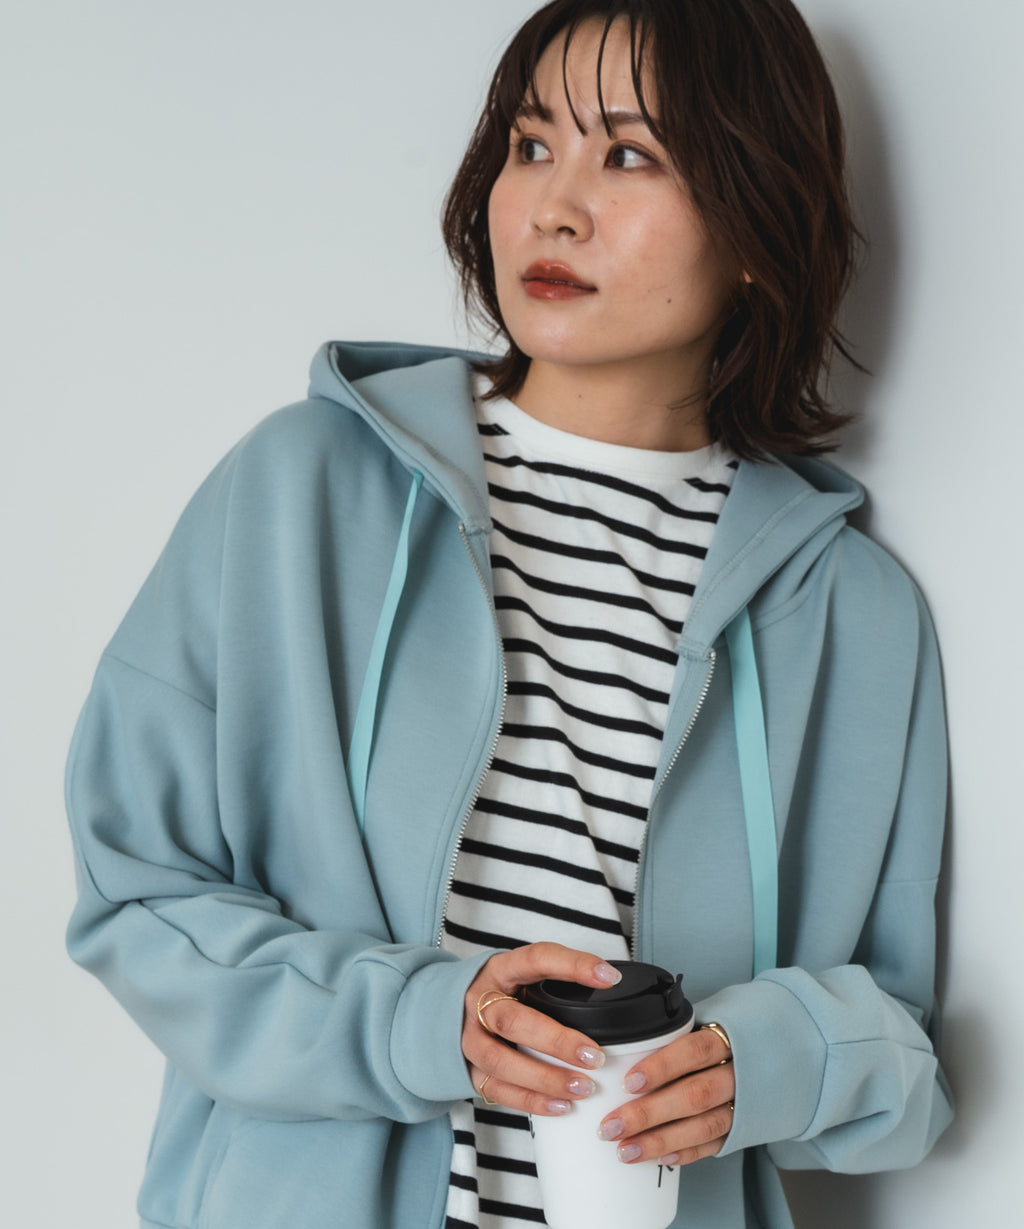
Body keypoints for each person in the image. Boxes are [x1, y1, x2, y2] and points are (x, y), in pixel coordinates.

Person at [63, 1, 954, 1226]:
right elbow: (138, 895)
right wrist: (422, 1021)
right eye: (531, 145)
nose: (553, 206)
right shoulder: (300, 493)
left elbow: (902, 1055)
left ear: (756, 223)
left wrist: (767, 1062)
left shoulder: (849, 611)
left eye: (628, 154)